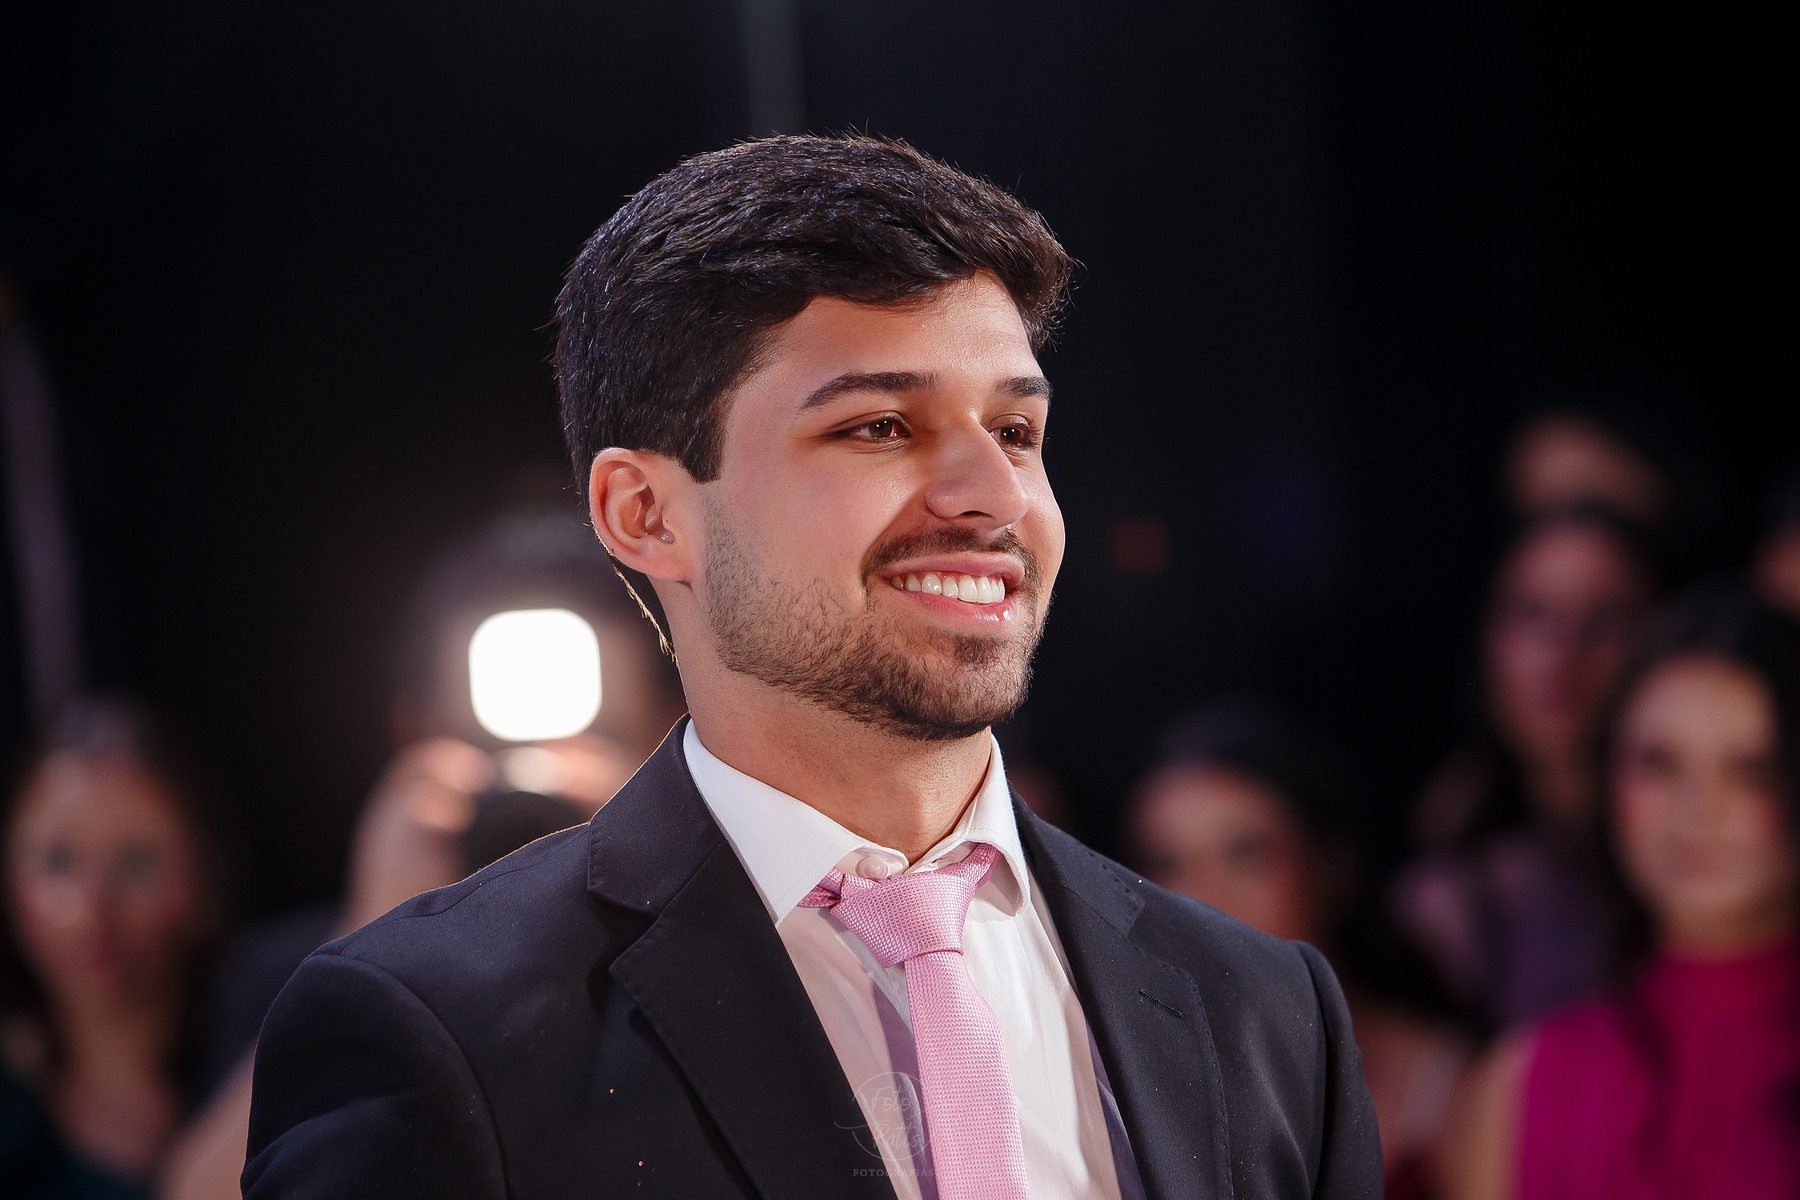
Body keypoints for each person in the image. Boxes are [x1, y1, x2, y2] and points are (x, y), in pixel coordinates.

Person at [242, 134, 1380, 1199]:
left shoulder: (1265, 1012)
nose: (993, 495)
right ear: (645, 513)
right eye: (879, 427)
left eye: (1016, 432)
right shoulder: (440, 1031)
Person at [1443, 586, 1800, 1200]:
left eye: (1751, 770)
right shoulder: (1523, 1081)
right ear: (1608, 777)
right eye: (1660, 763)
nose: (1698, 810)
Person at [1127, 701, 1468, 1199]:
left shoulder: (1453, 1089)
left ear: (1330, 865)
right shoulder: (1123, 1095)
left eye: (1246, 855)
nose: (1203, 898)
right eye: (1169, 864)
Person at [1396, 503, 1658, 1028]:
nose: (1562, 653)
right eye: (1533, 614)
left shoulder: (1692, 847)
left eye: (1605, 620)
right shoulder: (1447, 886)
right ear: (1488, 639)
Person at [0, 699, 232, 1199]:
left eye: (135, 864)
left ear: (198, 878)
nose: (93, 909)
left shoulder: (264, 1050)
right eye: (57, 862)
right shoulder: (12, 1117)